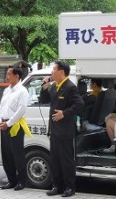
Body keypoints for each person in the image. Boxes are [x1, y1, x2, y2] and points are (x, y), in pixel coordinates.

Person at [40, 61, 84, 197]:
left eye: (54, 69)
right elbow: (44, 100)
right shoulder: (54, 86)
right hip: (54, 130)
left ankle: (70, 188)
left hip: (65, 131)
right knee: (55, 160)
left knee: (66, 160)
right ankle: (56, 186)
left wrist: (64, 113)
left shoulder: (70, 87)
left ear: (62, 72)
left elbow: (79, 105)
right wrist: (44, 87)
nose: (52, 72)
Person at [0, 65, 32, 191]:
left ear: (16, 76)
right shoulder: (7, 90)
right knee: (6, 155)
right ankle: (11, 180)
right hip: (4, 125)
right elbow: (1, 107)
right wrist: (0, 120)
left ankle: (21, 181)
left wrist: (9, 123)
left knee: (17, 154)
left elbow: (21, 110)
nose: (7, 76)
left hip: (15, 125)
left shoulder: (22, 91)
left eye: (8, 74)